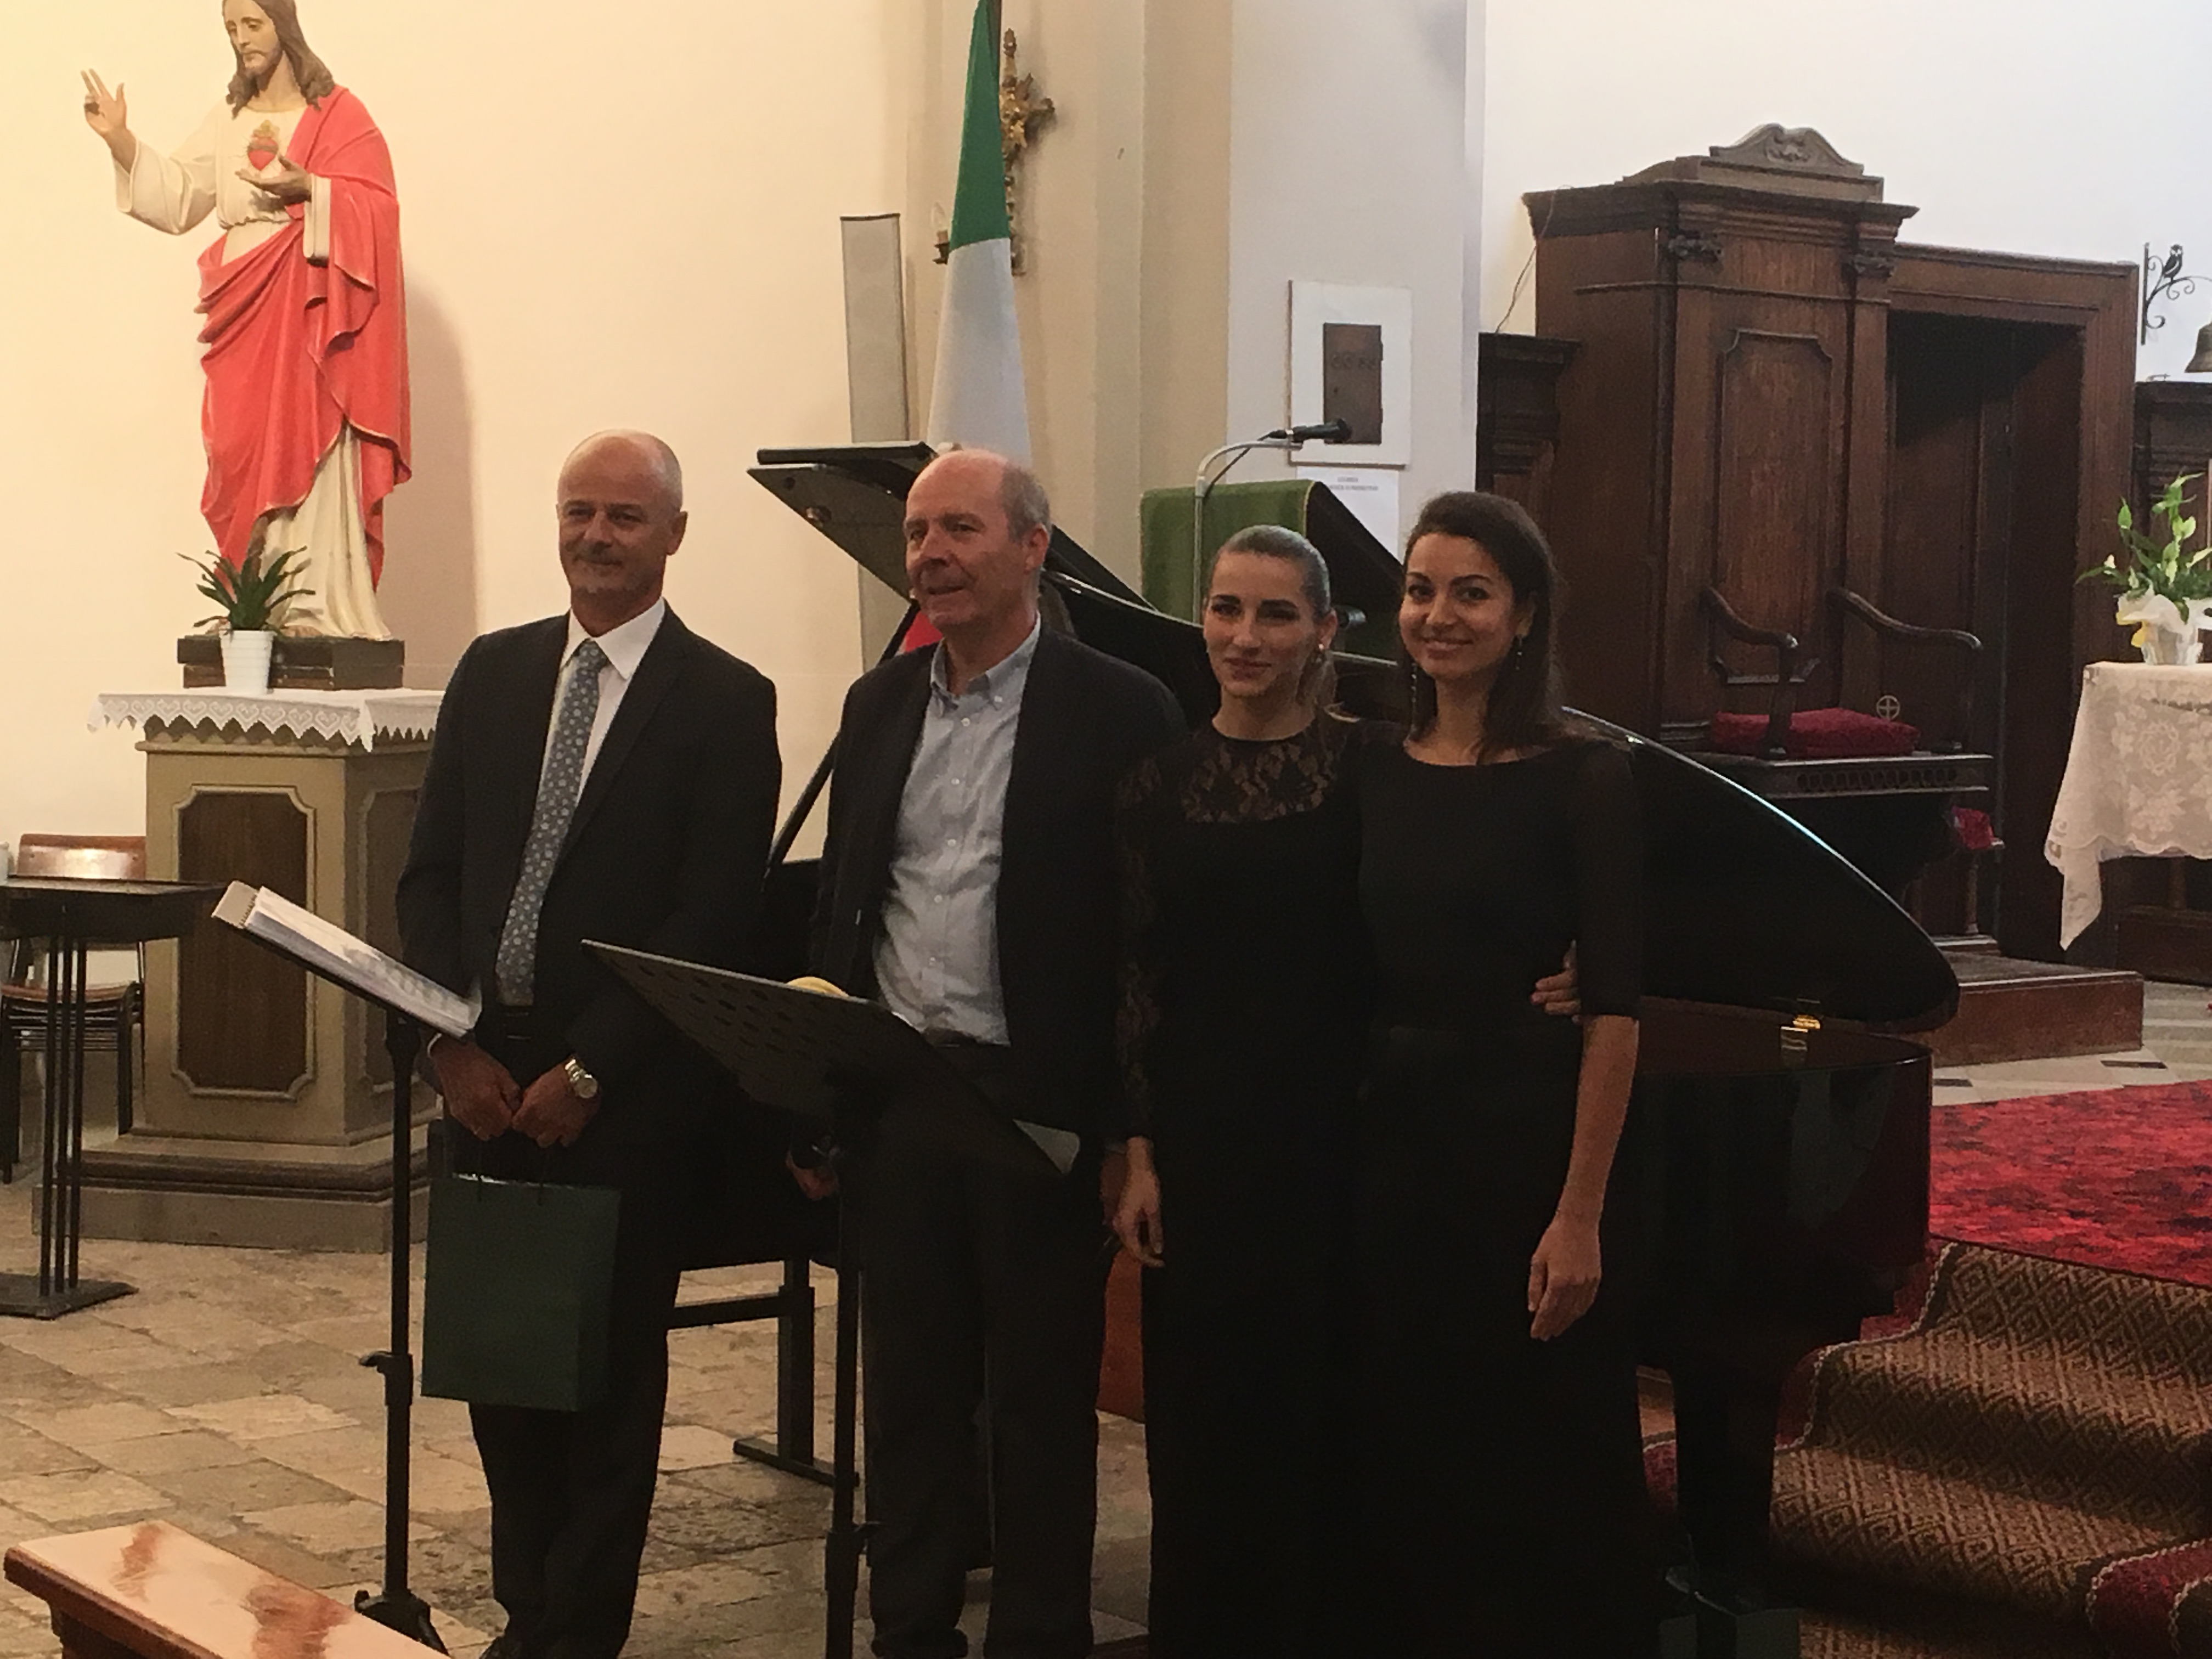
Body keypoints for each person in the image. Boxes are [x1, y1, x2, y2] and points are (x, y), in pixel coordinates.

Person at [1110, 526, 1581, 1657]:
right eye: (1226, 609)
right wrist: (1138, 1154)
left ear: (1325, 630)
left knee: (1336, 1421)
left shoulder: (1373, 766)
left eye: (1276, 613)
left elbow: (1468, 886)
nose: (1245, 636)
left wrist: (1574, 958)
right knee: (1207, 1421)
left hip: (1352, 1140)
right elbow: (1132, 978)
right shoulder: (1153, 784)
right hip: (1203, 1148)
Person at [396, 431, 780, 1659]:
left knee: (606, 1388)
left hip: (623, 1093)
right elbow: (431, 874)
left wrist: (594, 1067)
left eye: (623, 515)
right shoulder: (494, 671)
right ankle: (529, 1614)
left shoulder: (725, 699)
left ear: (674, 534)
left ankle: (576, 1638)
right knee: (503, 1376)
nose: (596, 536)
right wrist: (449, 1044)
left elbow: (711, 916)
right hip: (483, 1078)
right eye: (579, 511)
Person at [808, 448, 1184, 1659]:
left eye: (959, 529)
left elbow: (1150, 941)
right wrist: (821, 1095)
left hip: (1038, 1100)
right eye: (919, 533)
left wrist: (1129, 1132)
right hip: (900, 1091)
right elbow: (848, 905)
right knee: (907, 1397)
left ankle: (1038, 1634)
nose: (931, 554)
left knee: (1038, 1404)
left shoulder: (1120, 706)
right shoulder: (879, 704)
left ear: (1033, 547)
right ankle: (911, 1630)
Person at [1356, 490, 1654, 1656]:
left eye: (1470, 593)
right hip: (1391, 1151)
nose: (1438, 615)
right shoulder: (1370, 766)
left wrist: (1579, 1215)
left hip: (1524, 1150)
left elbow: (1616, 1012)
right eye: (1420, 590)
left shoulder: (1585, 776)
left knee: (1537, 1448)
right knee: (1407, 1443)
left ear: (1524, 614)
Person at [83, 0, 408, 639]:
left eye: (253, 25)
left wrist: (311, 189)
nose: (241, 40)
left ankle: (313, 606)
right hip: (243, 304)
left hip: (308, 300)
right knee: (239, 450)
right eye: (231, 29)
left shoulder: (337, 115)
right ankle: (252, 606)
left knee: (308, 438)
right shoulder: (229, 118)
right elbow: (180, 198)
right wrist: (120, 139)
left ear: (284, 25)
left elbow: (379, 209)